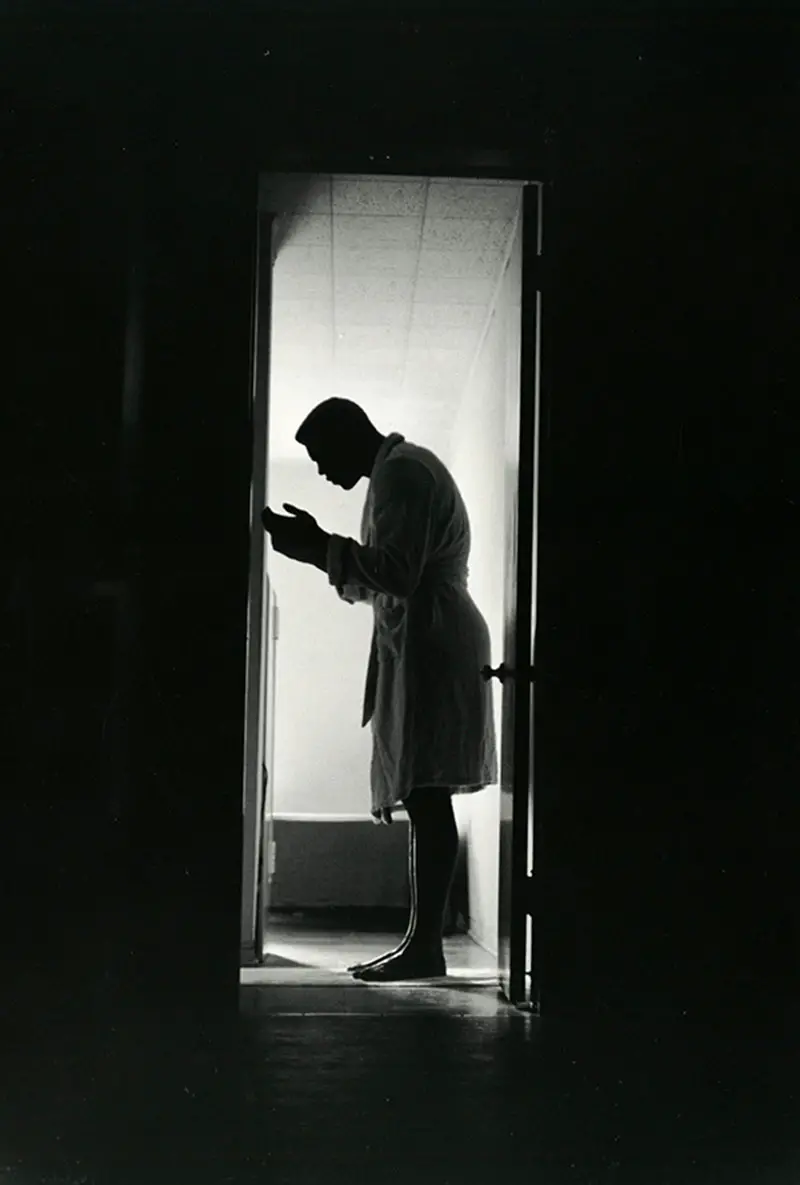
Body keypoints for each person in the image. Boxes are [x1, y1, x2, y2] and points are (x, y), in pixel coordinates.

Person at [262, 398, 497, 981]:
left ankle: (425, 946)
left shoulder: (403, 473)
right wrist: (323, 550)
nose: (320, 470)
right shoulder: (396, 473)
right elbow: (385, 578)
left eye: (321, 456)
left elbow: (395, 574)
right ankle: (422, 943)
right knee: (424, 793)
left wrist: (320, 548)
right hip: (427, 637)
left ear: (348, 435)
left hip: (435, 640)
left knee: (426, 793)